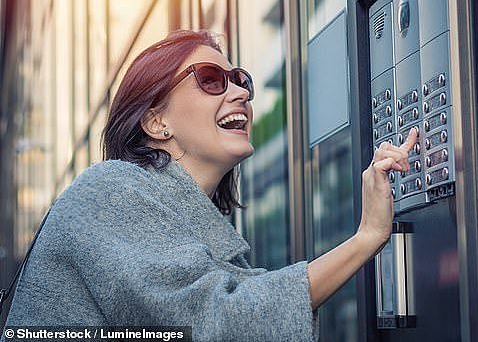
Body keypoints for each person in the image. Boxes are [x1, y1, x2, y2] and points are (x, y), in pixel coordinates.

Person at [1, 30, 418, 341]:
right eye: (210, 78)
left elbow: (239, 300)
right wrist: (366, 238)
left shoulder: (165, 213)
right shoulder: (109, 190)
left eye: (240, 80)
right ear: (155, 121)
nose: (239, 92)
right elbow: (216, 320)